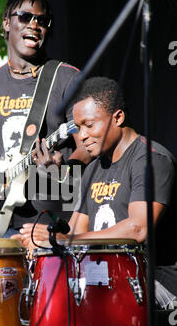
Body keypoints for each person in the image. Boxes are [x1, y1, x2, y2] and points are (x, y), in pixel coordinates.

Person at [15, 76, 177, 306]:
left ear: (118, 117)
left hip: (154, 284)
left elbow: (138, 228)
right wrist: (34, 241)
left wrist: (63, 240)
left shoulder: (150, 159)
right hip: (106, 278)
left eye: (89, 125)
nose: (81, 136)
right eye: (78, 128)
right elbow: (75, 231)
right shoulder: (93, 169)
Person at [0, 0, 92, 237]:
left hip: (56, 214)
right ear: (6, 23)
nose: (34, 25)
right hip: (2, 217)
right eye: (25, 17)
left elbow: (88, 142)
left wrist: (65, 169)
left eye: (42, 21)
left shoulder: (67, 78)